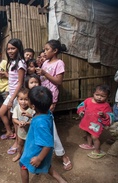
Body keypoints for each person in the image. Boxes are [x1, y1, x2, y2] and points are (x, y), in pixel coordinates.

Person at [35, 39, 72, 170]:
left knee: (50, 127)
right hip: (41, 97)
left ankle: (62, 155)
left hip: (50, 99)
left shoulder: (59, 63)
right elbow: (42, 81)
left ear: (55, 51)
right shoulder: (45, 62)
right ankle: (46, 152)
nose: (44, 52)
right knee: (47, 125)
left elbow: (58, 81)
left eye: (46, 49)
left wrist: (44, 73)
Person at [19, 86, 67, 183]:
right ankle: (61, 180)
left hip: (36, 151)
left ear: (32, 106)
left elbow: (48, 144)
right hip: (40, 150)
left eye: (28, 99)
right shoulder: (47, 113)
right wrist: (31, 115)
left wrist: (39, 159)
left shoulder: (40, 123)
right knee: (47, 166)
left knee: (22, 164)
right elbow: (38, 115)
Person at [0, 38, 26, 155]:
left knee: (16, 120)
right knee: (1, 113)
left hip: (16, 95)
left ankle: (17, 143)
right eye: (8, 48)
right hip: (12, 94)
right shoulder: (12, 62)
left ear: (18, 49)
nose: (10, 51)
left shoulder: (21, 63)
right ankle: (10, 132)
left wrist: (12, 98)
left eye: (13, 48)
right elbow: (13, 78)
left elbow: (20, 83)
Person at [77, 84, 114, 159]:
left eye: (103, 96)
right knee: (88, 132)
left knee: (95, 137)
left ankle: (97, 151)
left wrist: (104, 115)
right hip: (87, 121)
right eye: (97, 95)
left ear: (107, 97)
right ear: (93, 93)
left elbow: (110, 115)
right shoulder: (88, 100)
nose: (99, 97)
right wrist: (81, 111)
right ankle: (89, 145)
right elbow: (81, 106)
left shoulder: (106, 105)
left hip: (96, 124)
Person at [11, 88, 34, 162]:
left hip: (31, 132)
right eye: (21, 99)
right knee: (20, 144)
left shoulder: (32, 109)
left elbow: (36, 119)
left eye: (26, 99)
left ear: (30, 100)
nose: (23, 102)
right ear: (17, 100)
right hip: (21, 132)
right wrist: (19, 123)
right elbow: (14, 119)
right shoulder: (16, 108)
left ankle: (30, 157)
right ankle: (19, 154)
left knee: (31, 145)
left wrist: (28, 122)